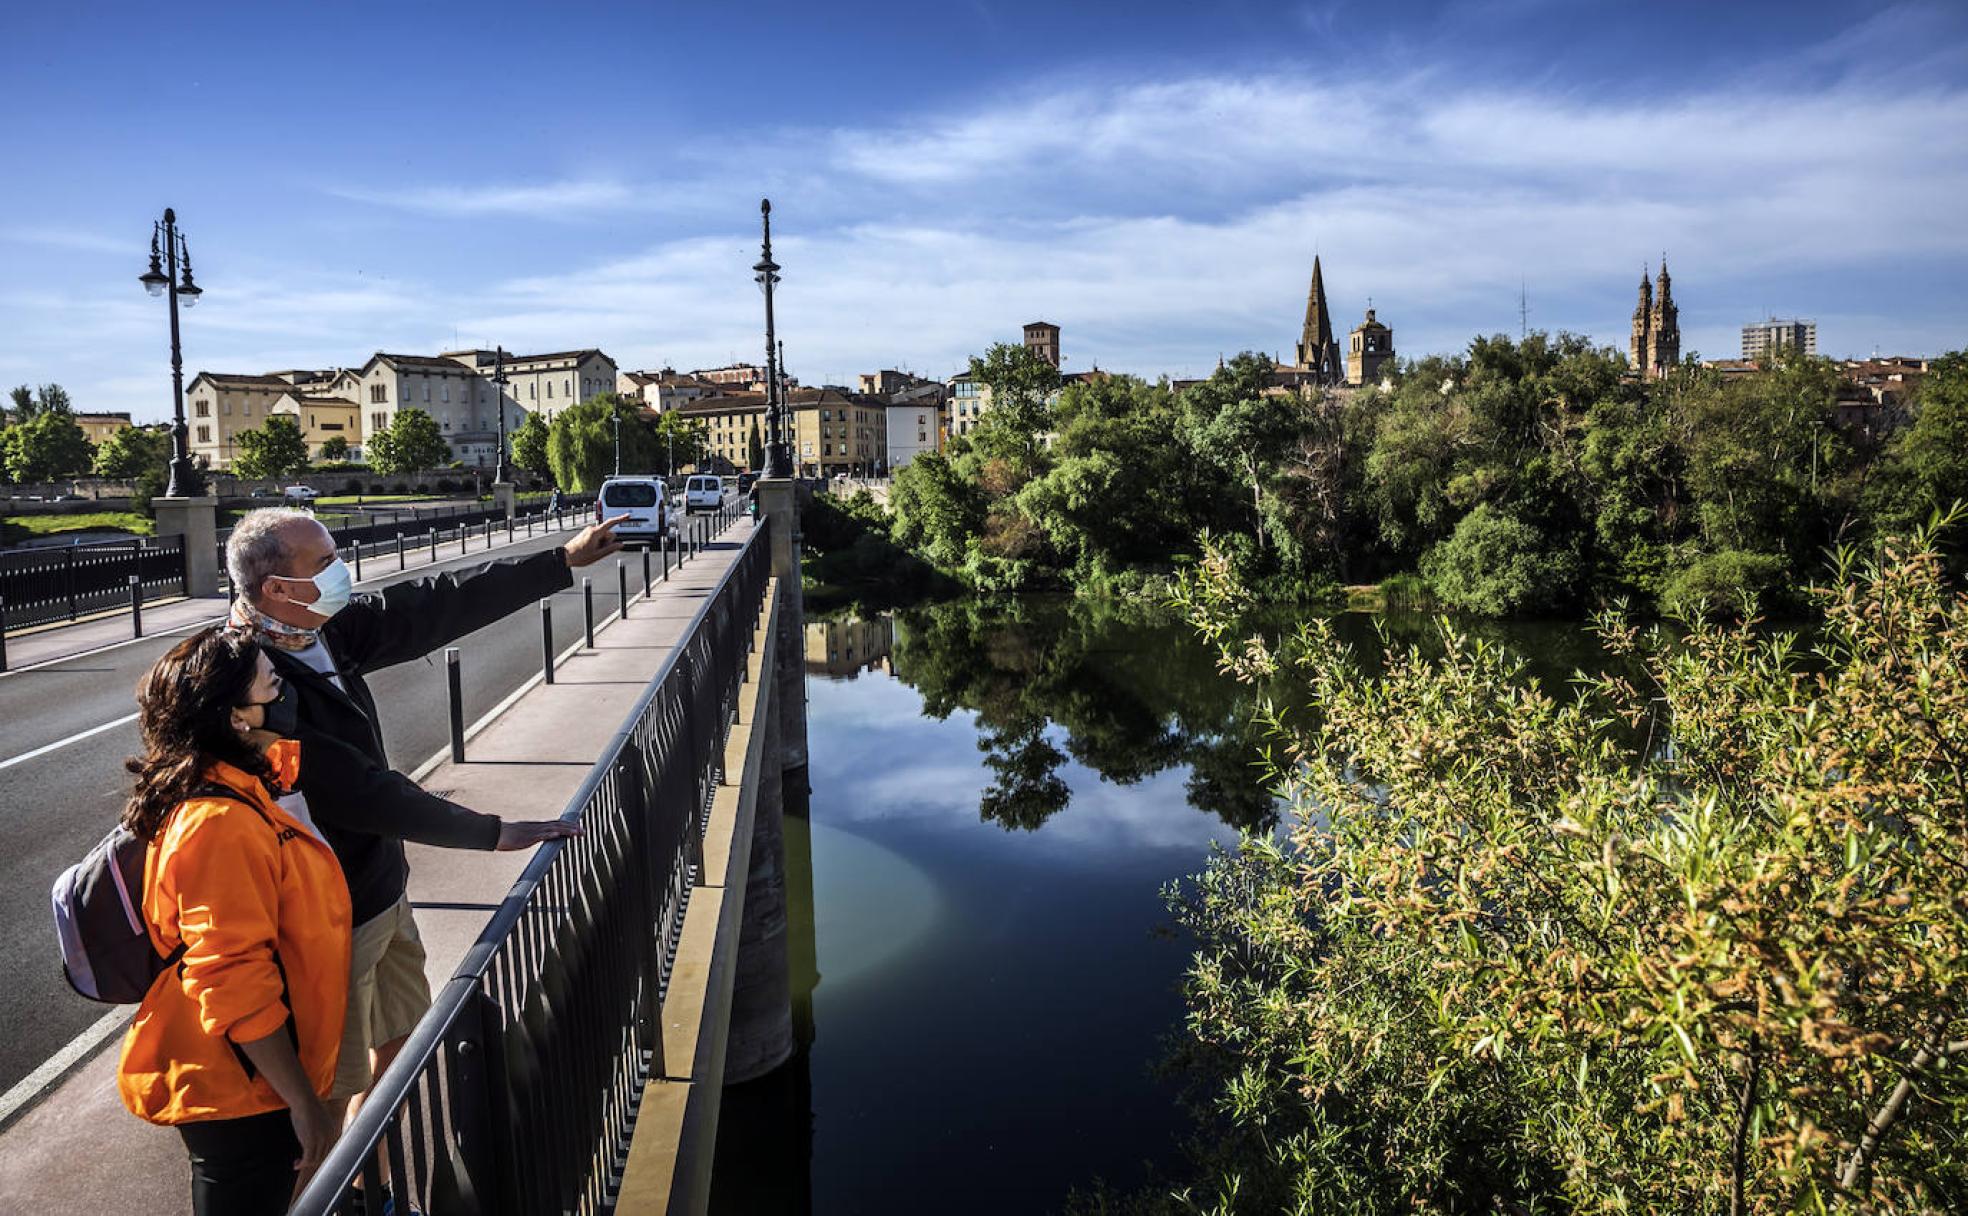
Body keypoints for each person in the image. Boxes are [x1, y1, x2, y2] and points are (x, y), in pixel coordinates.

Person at [223, 507, 621, 1123]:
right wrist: (489, 833)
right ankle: (330, 1193)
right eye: (324, 563)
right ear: (276, 589)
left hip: (381, 892)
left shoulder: (319, 631)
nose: (341, 572)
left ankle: (369, 1187)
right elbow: (361, 791)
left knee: (399, 1048)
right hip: (324, 920)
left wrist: (560, 560)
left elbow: (430, 607)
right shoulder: (253, 680)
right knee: (325, 1092)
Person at [117, 627, 351, 1214]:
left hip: (253, 1079)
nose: (287, 691)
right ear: (238, 717)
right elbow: (230, 974)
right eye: (273, 682)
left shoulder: (246, 791)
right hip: (242, 1087)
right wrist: (300, 1099)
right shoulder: (219, 821)